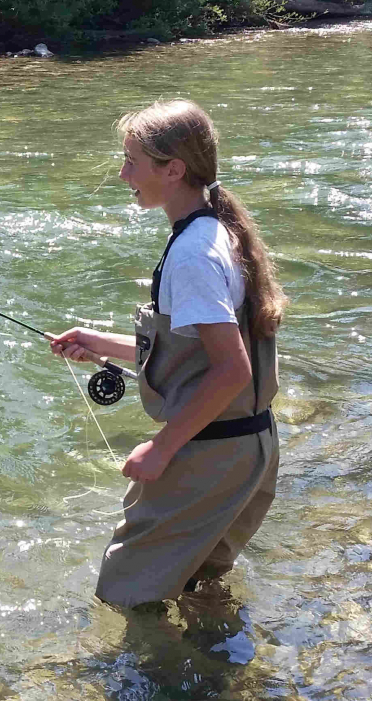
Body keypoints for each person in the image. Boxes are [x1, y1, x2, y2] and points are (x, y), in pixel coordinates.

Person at [51, 99, 287, 608]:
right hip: (251, 446)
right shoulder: (216, 232)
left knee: (125, 595)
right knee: (195, 586)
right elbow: (199, 356)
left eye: (131, 161)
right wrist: (99, 342)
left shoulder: (192, 256)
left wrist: (161, 449)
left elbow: (230, 370)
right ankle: (211, 677)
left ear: (173, 168)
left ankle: (153, 683)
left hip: (211, 452)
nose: (122, 174)